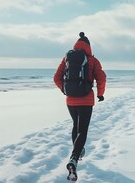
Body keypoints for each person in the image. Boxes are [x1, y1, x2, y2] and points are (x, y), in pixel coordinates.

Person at [53, 32, 106, 180]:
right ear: (88, 46)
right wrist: (100, 94)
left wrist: (64, 90)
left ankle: (78, 152)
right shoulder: (92, 60)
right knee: (82, 130)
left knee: (75, 125)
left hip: (70, 101)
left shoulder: (67, 58)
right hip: (86, 100)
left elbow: (56, 77)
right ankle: (74, 159)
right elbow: (101, 78)